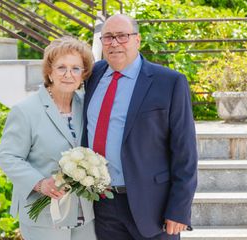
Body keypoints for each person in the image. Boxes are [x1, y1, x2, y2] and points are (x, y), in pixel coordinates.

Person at [82, 14, 198, 240]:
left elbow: (185, 151)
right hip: (102, 205)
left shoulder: (169, 82)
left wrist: (179, 208)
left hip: (153, 207)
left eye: (122, 36)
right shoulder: (92, 76)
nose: (114, 43)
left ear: (138, 40)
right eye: (108, 37)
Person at [0, 36, 96, 240]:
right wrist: (40, 182)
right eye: (61, 68)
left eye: (76, 68)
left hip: (85, 215)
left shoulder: (88, 106)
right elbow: (8, 157)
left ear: (83, 74)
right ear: (49, 72)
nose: (69, 74)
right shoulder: (25, 111)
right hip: (43, 216)